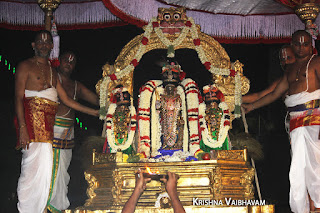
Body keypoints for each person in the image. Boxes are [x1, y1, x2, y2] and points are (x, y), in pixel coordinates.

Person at [15, 30, 98, 213]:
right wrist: (22, 128)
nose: (44, 45)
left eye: (47, 42)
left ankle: (43, 208)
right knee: (30, 173)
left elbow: (68, 101)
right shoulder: (25, 66)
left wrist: (96, 112)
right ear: (33, 45)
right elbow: (18, 98)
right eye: (40, 41)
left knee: (46, 172)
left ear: (51, 47)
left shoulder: (53, 73)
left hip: (48, 133)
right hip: (31, 128)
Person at [242, 30, 320, 213]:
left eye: (305, 44)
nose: (301, 48)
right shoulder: (290, 71)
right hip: (296, 123)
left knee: (316, 164)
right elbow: (274, 94)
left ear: (311, 45)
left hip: (315, 120)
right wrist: (251, 107)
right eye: (297, 44)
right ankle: (301, 209)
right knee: (298, 168)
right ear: (292, 45)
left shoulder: (317, 62)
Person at [46, 52, 99, 212]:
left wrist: (111, 90)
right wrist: (94, 113)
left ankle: (58, 206)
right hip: (53, 129)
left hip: (68, 132)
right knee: (52, 169)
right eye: (66, 60)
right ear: (58, 61)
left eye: (72, 62)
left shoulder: (76, 85)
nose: (68, 64)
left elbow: (98, 100)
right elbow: (66, 101)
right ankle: (48, 206)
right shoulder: (53, 77)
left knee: (63, 173)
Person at [138, 60, 202, 158]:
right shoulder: (161, 96)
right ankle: (165, 146)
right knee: (164, 133)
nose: (170, 90)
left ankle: (178, 146)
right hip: (165, 121)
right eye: (168, 88)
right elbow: (157, 110)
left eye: (172, 88)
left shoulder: (179, 96)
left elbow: (183, 110)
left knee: (178, 133)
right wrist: (158, 107)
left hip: (177, 122)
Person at [199, 85, 231, 152]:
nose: (210, 96)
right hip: (205, 144)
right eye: (208, 94)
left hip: (222, 143)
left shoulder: (222, 111)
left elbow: (226, 125)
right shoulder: (202, 111)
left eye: (213, 94)